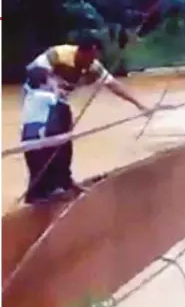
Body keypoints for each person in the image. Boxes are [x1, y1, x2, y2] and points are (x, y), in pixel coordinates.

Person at [23, 31, 172, 200]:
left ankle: (63, 183)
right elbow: (33, 71)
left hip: (60, 101)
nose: (91, 61)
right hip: (38, 98)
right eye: (90, 56)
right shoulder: (58, 54)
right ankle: (41, 190)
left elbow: (113, 85)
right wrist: (53, 85)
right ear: (82, 51)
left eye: (95, 57)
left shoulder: (93, 66)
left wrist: (141, 105)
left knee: (65, 140)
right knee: (46, 138)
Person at [21, 67, 74, 204]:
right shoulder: (44, 96)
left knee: (36, 172)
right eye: (51, 79)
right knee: (44, 168)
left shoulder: (30, 95)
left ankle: (36, 197)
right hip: (38, 139)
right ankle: (42, 200)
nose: (53, 81)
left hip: (27, 139)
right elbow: (59, 101)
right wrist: (57, 88)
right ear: (43, 83)